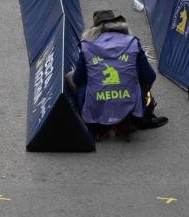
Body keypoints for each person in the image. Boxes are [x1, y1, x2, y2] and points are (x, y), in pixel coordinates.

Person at [66, 9, 168, 141]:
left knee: (69, 77)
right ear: (118, 25)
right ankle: (133, 115)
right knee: (140, 81)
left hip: (96, 103)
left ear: (95, 28)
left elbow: (77, 79)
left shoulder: (87, 46)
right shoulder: (133, 43)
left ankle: (89, 118)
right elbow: (150, 76)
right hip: (129, 102)